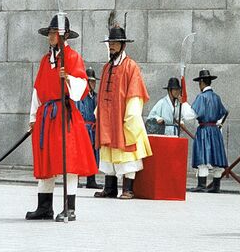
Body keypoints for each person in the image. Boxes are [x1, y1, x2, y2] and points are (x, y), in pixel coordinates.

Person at [25, 15, 98, 222]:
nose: (50, 36)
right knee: (46, 161)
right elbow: (37, 90)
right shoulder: (44, 60)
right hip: (46, 116)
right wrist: (33, 116)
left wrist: (68, 79)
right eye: (49, 32)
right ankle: (44, 206)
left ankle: (70, 207)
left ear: (62, 35)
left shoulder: (72, 57)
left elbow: (81, 87)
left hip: (64, 115)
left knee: (68, 162)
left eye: (53, 33)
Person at [94, 12, 152, 200]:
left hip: (124, 116)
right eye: (110, 43)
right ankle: (109, 187)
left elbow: (135, 93)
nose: (111, 46)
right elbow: (102, 93)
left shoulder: (131, 66)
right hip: (108, 117)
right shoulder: (107, 67)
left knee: (127, 154)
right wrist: (99, 114)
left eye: (115, 43)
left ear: (123, 45)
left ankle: (128, 188)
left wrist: (132, 117)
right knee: (109, 152)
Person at [187, 69, 228, 193]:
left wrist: (184, 106)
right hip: (215, 130)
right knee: (216, 158)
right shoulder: (217, 97)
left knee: (203, 157)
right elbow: (224, 112)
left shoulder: (201, 97)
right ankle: (216, 186)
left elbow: (192, 114)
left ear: (202, 83)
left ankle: (202, 184)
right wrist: (218, 124)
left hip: (204, 129)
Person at [75, 67, 103, 189]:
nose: (92, 84)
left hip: (93, 128)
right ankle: (75, 180)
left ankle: (91, 180)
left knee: (93, 154)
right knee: (80, 155)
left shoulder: (96, 96)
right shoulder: (80, 96)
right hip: (83, 128)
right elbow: (77, 112)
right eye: (89, 81)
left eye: (93, 81)